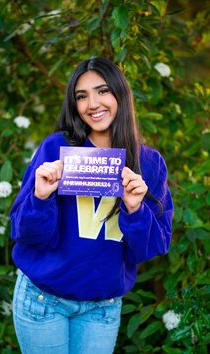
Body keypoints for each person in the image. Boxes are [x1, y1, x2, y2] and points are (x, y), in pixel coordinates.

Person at [10, 57, 173, 354]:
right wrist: (40, 198)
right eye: (81, 96)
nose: (92, 103)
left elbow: (153, 248)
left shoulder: (149, 164)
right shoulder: (55, 149)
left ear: (120, 94)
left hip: (102, 308)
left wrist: (137, 211)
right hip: (44, 301)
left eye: (102, 91)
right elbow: (26, 235)